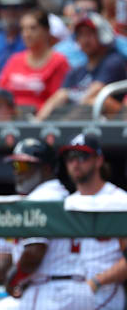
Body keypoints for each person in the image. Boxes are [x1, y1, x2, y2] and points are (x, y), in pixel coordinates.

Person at [0, 138, 93, 310]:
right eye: (15, 166)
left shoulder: (41, 197)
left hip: (51, 291)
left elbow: (34, 251)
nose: (17, 172)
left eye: (24, 166)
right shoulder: (62, 194)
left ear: (46, 168)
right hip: (78, 289)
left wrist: (13, 279)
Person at [60, 133, 127, 310]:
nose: (75, 163)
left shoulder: (119, 200)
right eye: (70, 157)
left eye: (82, 156)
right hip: (69, 291)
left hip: (105, 292)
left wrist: (97, 282)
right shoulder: (66, 202)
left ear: (98, 160)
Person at [37, 13, 126, 120]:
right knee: (61, 96)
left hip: (112, 123)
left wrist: (64, 122)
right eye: (81, 35)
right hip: (80, 119)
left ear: (103, 35)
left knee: (95, 101)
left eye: (89, 34)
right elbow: (60, 95)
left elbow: (96, 91)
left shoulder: (114, 61)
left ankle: (62, 130)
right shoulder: (77, 70)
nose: (84, 40)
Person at [0, 8, 70, 111]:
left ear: (46, 31)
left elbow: (58, 100)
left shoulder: (59, 61)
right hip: (11, 121)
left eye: (33, 28)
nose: (26, 34)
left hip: (42, 121)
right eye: (23, 29)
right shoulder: (15, 60)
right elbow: (2, 92)